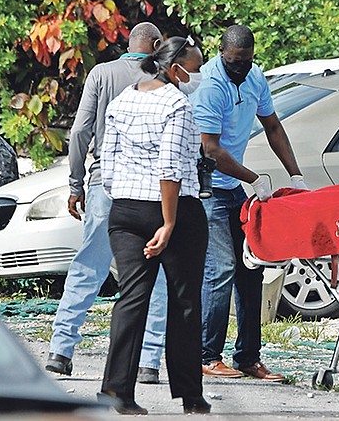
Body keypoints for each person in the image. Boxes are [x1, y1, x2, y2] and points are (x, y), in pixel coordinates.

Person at [46, 22, 169, 385]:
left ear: (129, 44)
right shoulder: (165, 79)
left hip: (105, 185)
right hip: (149, 191)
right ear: (157, 45)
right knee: (155, 274)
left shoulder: (101, 74)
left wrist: (75, 184)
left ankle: (60, 351)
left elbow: (81, 131)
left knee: (88, 267)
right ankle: (147, 362)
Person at [98, 36, 209, 415]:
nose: (197, 75)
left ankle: (116, 390)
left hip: (125, 210)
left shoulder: (122, 100)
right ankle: (190, 395)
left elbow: (107, 164)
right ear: (175, 67)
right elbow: (170, 167)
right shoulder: (177, 103)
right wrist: (168, 221)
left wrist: (127, 200)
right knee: (184, 302)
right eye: (194, 68)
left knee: (131, 297)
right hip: (172, 209)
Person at [192, 24, 306, 381]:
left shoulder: (255, 77)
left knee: (252, 267)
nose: (241, 67)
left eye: (247, 60)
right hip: (206, 188)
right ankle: (207, 355)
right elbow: (209, 149)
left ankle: (248, 357)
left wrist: (296, 174)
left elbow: (272, 126)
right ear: (222, 53)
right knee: (221, 269)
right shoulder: (210, 85)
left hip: (233, 188)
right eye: (235, 61)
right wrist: (253, 179)